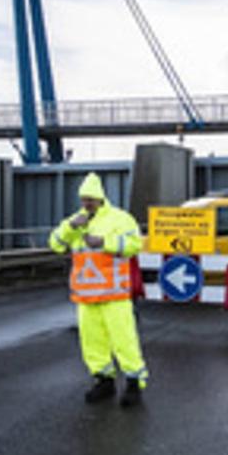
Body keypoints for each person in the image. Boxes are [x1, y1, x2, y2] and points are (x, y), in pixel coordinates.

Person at [49, 172, 148, 407]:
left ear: (100, 198)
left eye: (90, 199)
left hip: (114, 294)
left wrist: (105, 243)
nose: (86, 204)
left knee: (124, 340)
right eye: (83, 199)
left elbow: (135, 245)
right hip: (86, 297)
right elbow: (55, 244)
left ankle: (134, 384)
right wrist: (69, 227)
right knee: (92, 343)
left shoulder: (120, 219)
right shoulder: (76, 221)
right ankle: (104, 380)